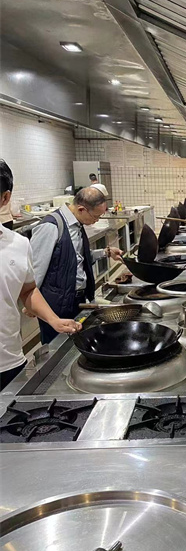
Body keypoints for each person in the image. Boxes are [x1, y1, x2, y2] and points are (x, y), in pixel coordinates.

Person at [0, 160, 82, 390]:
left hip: (9, 362)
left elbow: (27, 290)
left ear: (5, 198)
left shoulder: (18, 244)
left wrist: (53, 320)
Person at [30, 187, 122, 344]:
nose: (97, 220)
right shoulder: (51, 227)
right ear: (81, 209)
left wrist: (105, 252)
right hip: (56, 305)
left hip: (75, 299)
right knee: (56, 348)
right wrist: (32, 303)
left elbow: (74, 259)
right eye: (96, 216)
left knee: (75, 345)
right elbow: (34, 270)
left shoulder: (76, 225)